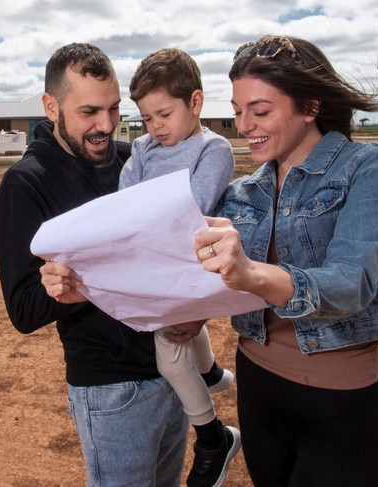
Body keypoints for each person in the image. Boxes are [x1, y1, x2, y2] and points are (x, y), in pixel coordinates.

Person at [193, 35, 378, 487]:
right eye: (237, 110)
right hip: (258, 390)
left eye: (260, 110)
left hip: (340, 404)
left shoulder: (371, 167)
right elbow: (201, 278)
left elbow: (352, 282)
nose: (243, 124)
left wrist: (251, 272)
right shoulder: (244, 191)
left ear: (310, 106)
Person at [0, 43, 189, 486]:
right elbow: (23, 310)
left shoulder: (130, 160)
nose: (106, 125)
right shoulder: (26, 185)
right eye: (89, 112)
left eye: (114, 109)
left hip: (173, 370)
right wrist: (75, 285)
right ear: (51, 106)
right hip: (111, 390)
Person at [121, 47, 240, 487]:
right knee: (182, 340)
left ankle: (213, 437)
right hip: (155, 259)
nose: (155, 128)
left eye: (163, 114)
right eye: (147, 119)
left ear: (195, 102)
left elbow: (196, 208)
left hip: (186, 260)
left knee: (170, 355)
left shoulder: (214, 148)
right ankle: (208, 371)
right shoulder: (143, 147)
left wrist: (147, 219)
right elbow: (124, 200)